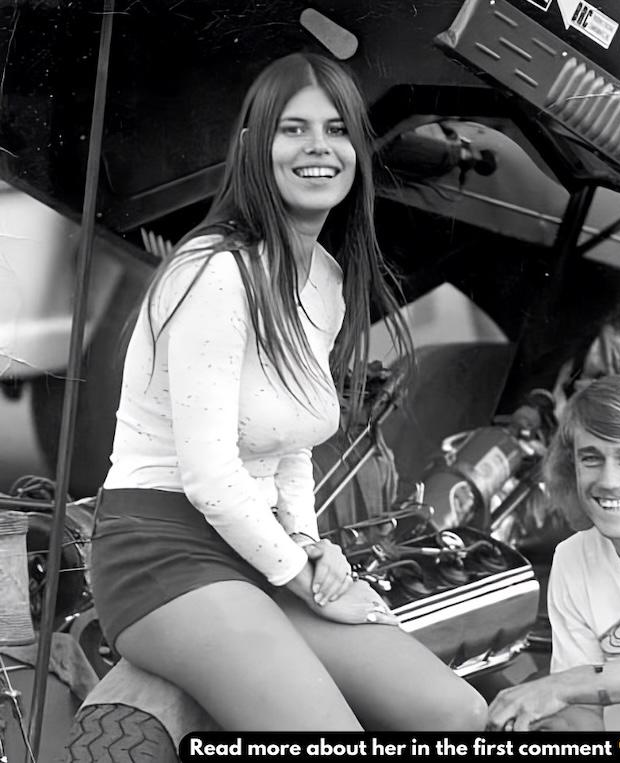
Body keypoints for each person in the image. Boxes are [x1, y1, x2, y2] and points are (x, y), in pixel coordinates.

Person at [90, 51, 488, 731]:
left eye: (337, 130)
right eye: (293, 129)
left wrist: (308, 543)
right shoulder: (216, 271)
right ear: (254, 145)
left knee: (454, 711)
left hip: (261, 546)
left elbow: (293, 444)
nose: (318, 147)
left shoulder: (326, 279)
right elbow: (210, 477)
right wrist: (304, 578)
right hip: (164, 548)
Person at [488, 375, 620, 731]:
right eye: (591, 459)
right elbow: (583, 709)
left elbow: (570, 686)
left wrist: (563, 685)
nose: (608, 480)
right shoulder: (573, 560)